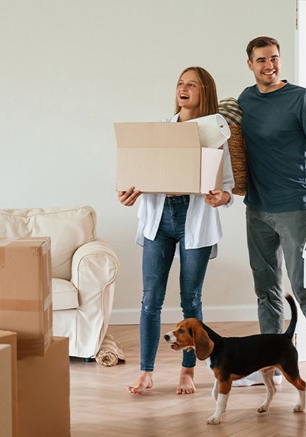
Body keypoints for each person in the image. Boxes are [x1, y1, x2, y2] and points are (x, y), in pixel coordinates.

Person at [233, 36, 306, 396]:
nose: (269, 65)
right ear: (250, 64)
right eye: (261, 60)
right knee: (266, 291)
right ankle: (270, 366)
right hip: (258, 209)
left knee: (305, 289)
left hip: (296, 207)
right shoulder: (246, 100)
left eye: (274, 59)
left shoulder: (301, 98)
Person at [118, 66, 234, 395]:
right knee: (150, 299)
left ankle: (188, 372)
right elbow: (137, 173)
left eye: (191, 85)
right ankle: (146, 371)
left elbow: (228, 187)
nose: (183, 89)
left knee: (190, 301)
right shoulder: (160, 131)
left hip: (194, 218)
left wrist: (219, 196)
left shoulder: (215, 135)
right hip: (160, 218)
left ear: (204, 92)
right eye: (180, 84)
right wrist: (128, 192)